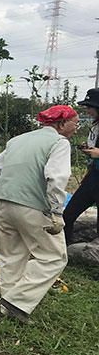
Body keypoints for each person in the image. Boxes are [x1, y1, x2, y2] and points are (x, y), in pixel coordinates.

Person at [0, 105, 78, 324]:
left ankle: (9, 308)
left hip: (5, 204)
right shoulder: (59, 143)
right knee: (54, 257)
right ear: (61, 123)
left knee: (11, 256)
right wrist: (56, 211)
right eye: (75, 123)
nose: (76, 129)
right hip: (34, 207)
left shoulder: (18, 140)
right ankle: (18, 301)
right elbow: (55, 178)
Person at [64, 89, 99, 245]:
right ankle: (63, 252)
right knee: (68, 215)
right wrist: (89, 150)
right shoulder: (95, 126)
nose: (87, 110)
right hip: (92, 178)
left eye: (89, 107)